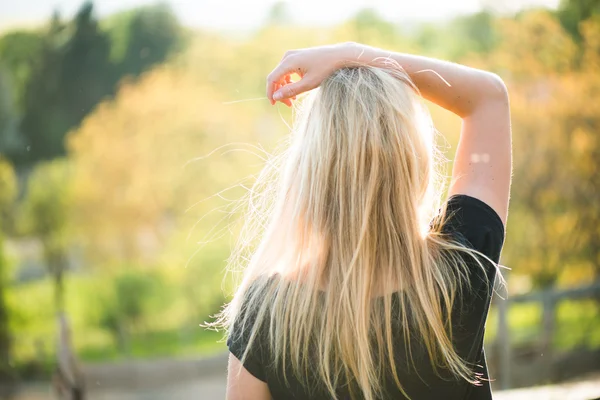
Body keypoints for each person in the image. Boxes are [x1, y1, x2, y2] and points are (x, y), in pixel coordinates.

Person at [219, 42, 511, 400]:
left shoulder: (267, 314)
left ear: (311, 171)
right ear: (413, 164)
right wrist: (351, 53)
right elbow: (488, 98)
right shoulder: (459, 273)